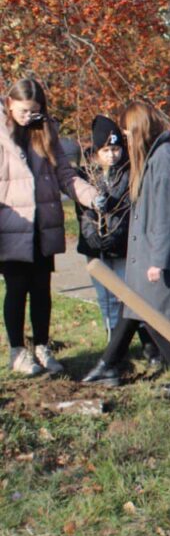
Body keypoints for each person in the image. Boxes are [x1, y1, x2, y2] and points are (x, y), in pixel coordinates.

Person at [85, 102, 170, 395]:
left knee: (148, 312)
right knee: (137, 307)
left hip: (159, 256)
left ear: (139, 131)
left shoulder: (164, 160)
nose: (125, 139)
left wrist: (158, 260)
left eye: (127, 133)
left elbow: (167, 214)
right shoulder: (157, 157)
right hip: (152, 253)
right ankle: (109, 364)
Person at [0, 78, 100, 376]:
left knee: (42, 289)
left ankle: (42, 346)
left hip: (44, 226)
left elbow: (66, 177)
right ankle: (18, 351)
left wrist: (93, 198)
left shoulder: (46, 133)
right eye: (23, 111)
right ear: (9, 106)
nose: (28, 116)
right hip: (12, 227)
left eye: (34, 111)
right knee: (17, 288)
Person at [75, 116, 162, 378]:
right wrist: (95, 236)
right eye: (106, 150)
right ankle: (115, 354)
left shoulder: (130, 173)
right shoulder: (86, 177)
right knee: (108, 303)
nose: (112, 156)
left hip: (124, 249)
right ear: (95, 152)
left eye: (115, 149)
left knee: (133, 300)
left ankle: (153, 348)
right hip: (97, 251)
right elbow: (83, 214)